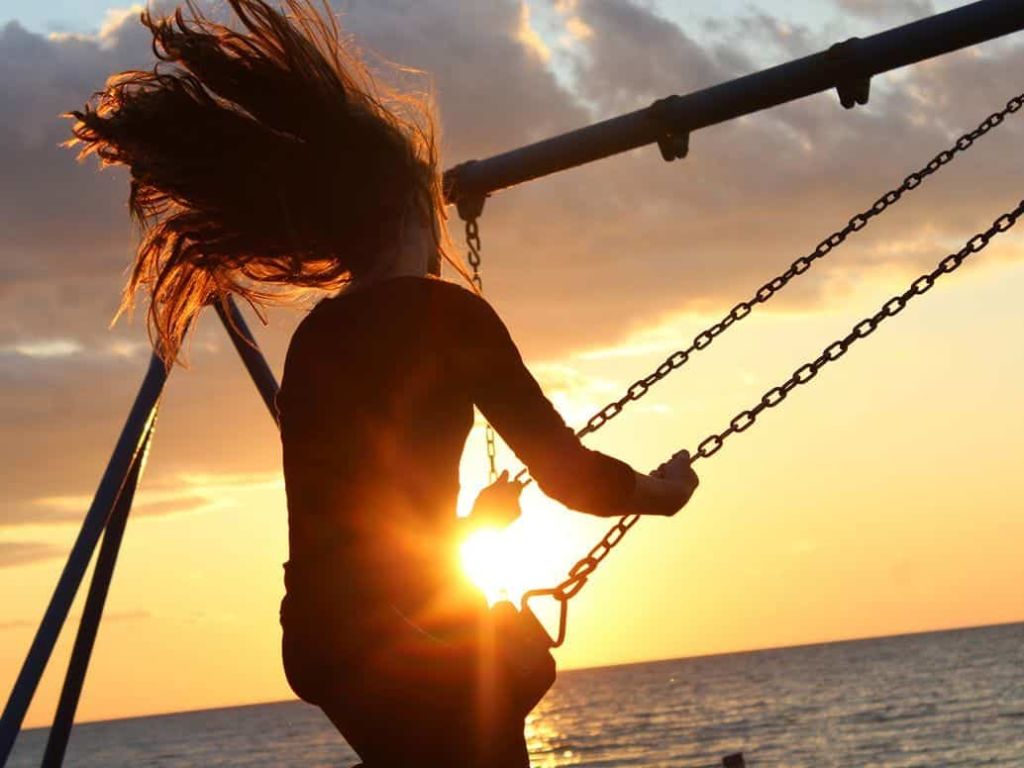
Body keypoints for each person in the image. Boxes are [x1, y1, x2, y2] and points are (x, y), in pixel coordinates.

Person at [67, 1, 699, 765]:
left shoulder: (314, 340)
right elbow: (568, 478)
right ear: (410, 208)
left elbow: (356, 525)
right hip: (403, 637)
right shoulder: (449, 318)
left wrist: (472, 530)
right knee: (521, 663)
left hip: (321, 643)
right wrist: (656, 496)